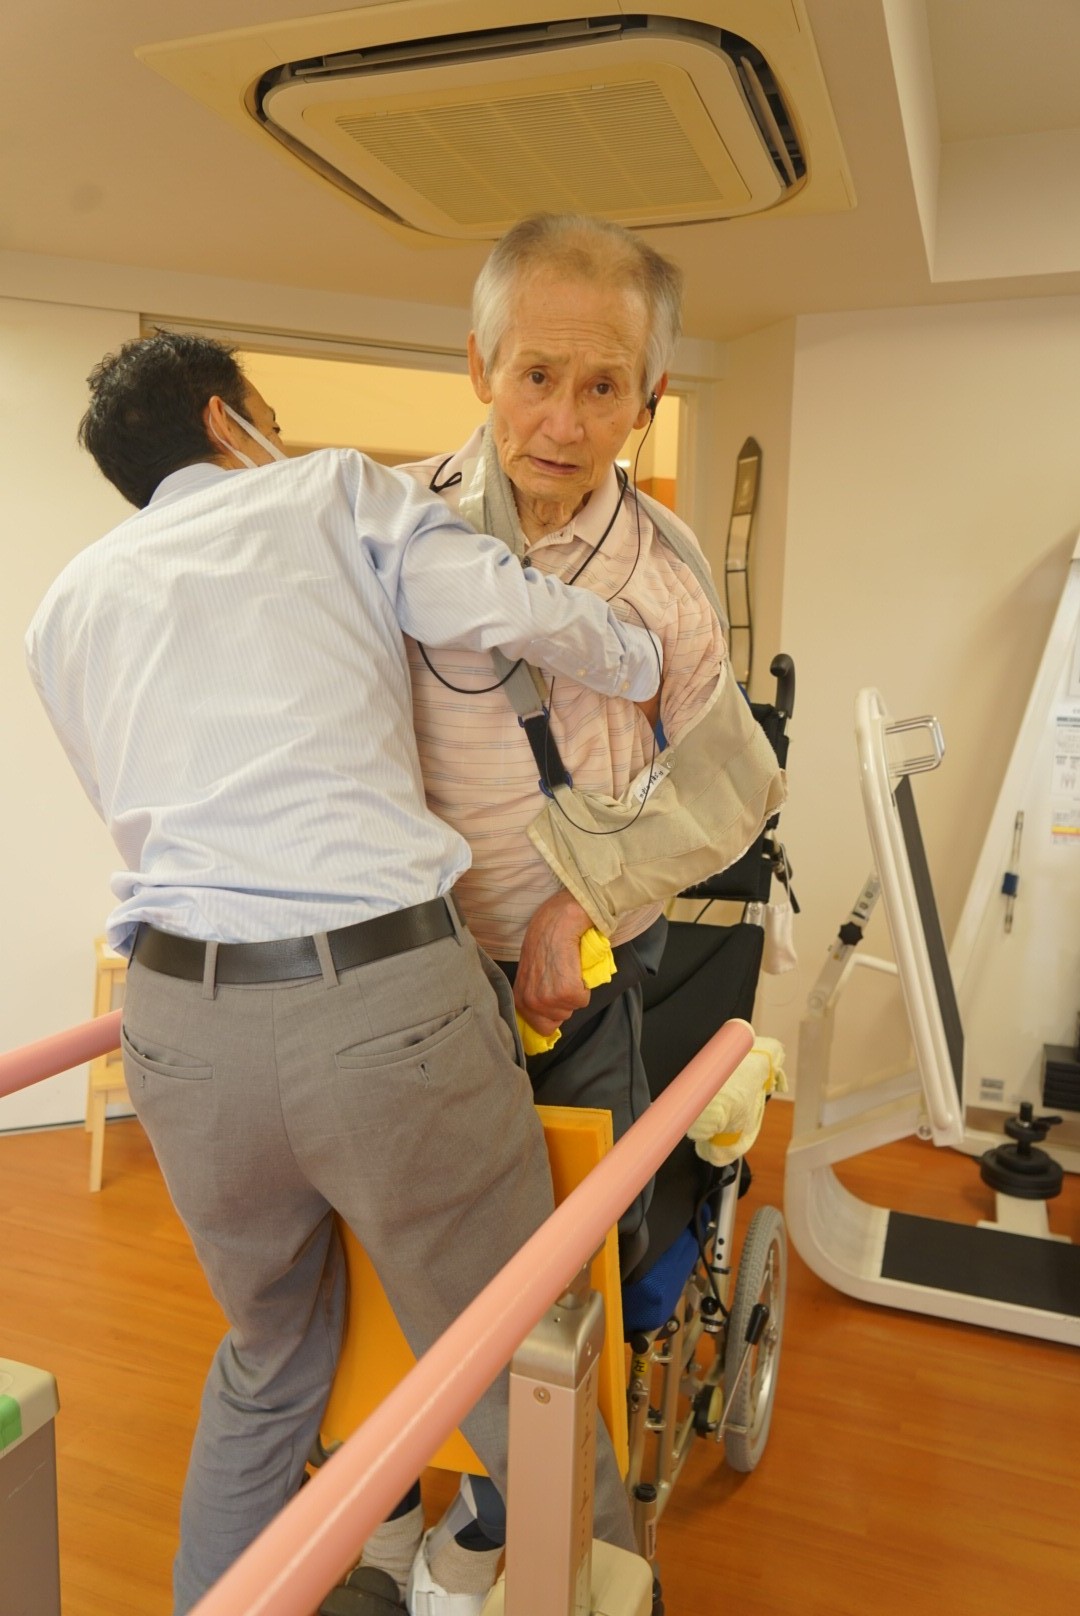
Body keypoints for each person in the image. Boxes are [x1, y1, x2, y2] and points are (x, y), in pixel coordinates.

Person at [24, 332, 661, 1616]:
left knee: (269, 1352)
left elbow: (132, 807)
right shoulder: (329, 491)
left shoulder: (66, 605)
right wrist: (648, 655)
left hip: (178, 1030)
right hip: (375, 1005)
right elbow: (512, 608)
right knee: (512, 1355)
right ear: (229, 419)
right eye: (269, 408)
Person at [381, 211, 782, 1616]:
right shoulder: (389, 526)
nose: (563, 419)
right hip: (411, 972)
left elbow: (733, 787)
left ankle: (514, 1514)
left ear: (648, 394)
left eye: (602, 384)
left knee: (561, 1258)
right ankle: (394, 1488)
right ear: (479, 365)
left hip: (582, 972)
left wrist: (584, 901)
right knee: (394, 1243)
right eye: (536, 375)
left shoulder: (662, 574)